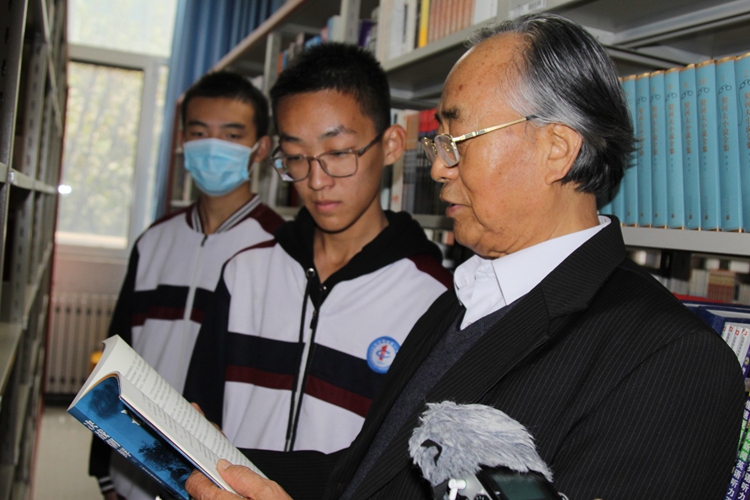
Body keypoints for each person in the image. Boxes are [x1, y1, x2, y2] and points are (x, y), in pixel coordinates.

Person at [185, 13, 746, 500]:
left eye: (458, 140)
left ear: (556, 149)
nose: (437, 168)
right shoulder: (468, 295)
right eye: (438, 143)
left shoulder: (671, 361)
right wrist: (214, 458)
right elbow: (367, 476)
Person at [183, 43, 452, 457]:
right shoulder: (244, 274)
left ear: (392, 145)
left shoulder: (432, 299)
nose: (316, 181)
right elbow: (198, 418)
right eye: (295, 157)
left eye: (339, 153)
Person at [89, 71, 286, 500]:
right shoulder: (154, 241)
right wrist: (103, 468)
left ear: (261, 148)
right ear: (182, 141)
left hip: (223, 479)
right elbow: (119, 352)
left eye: (231, 135)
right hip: (133, 468)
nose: (213, 147)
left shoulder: (281, 249)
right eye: (199, 133)